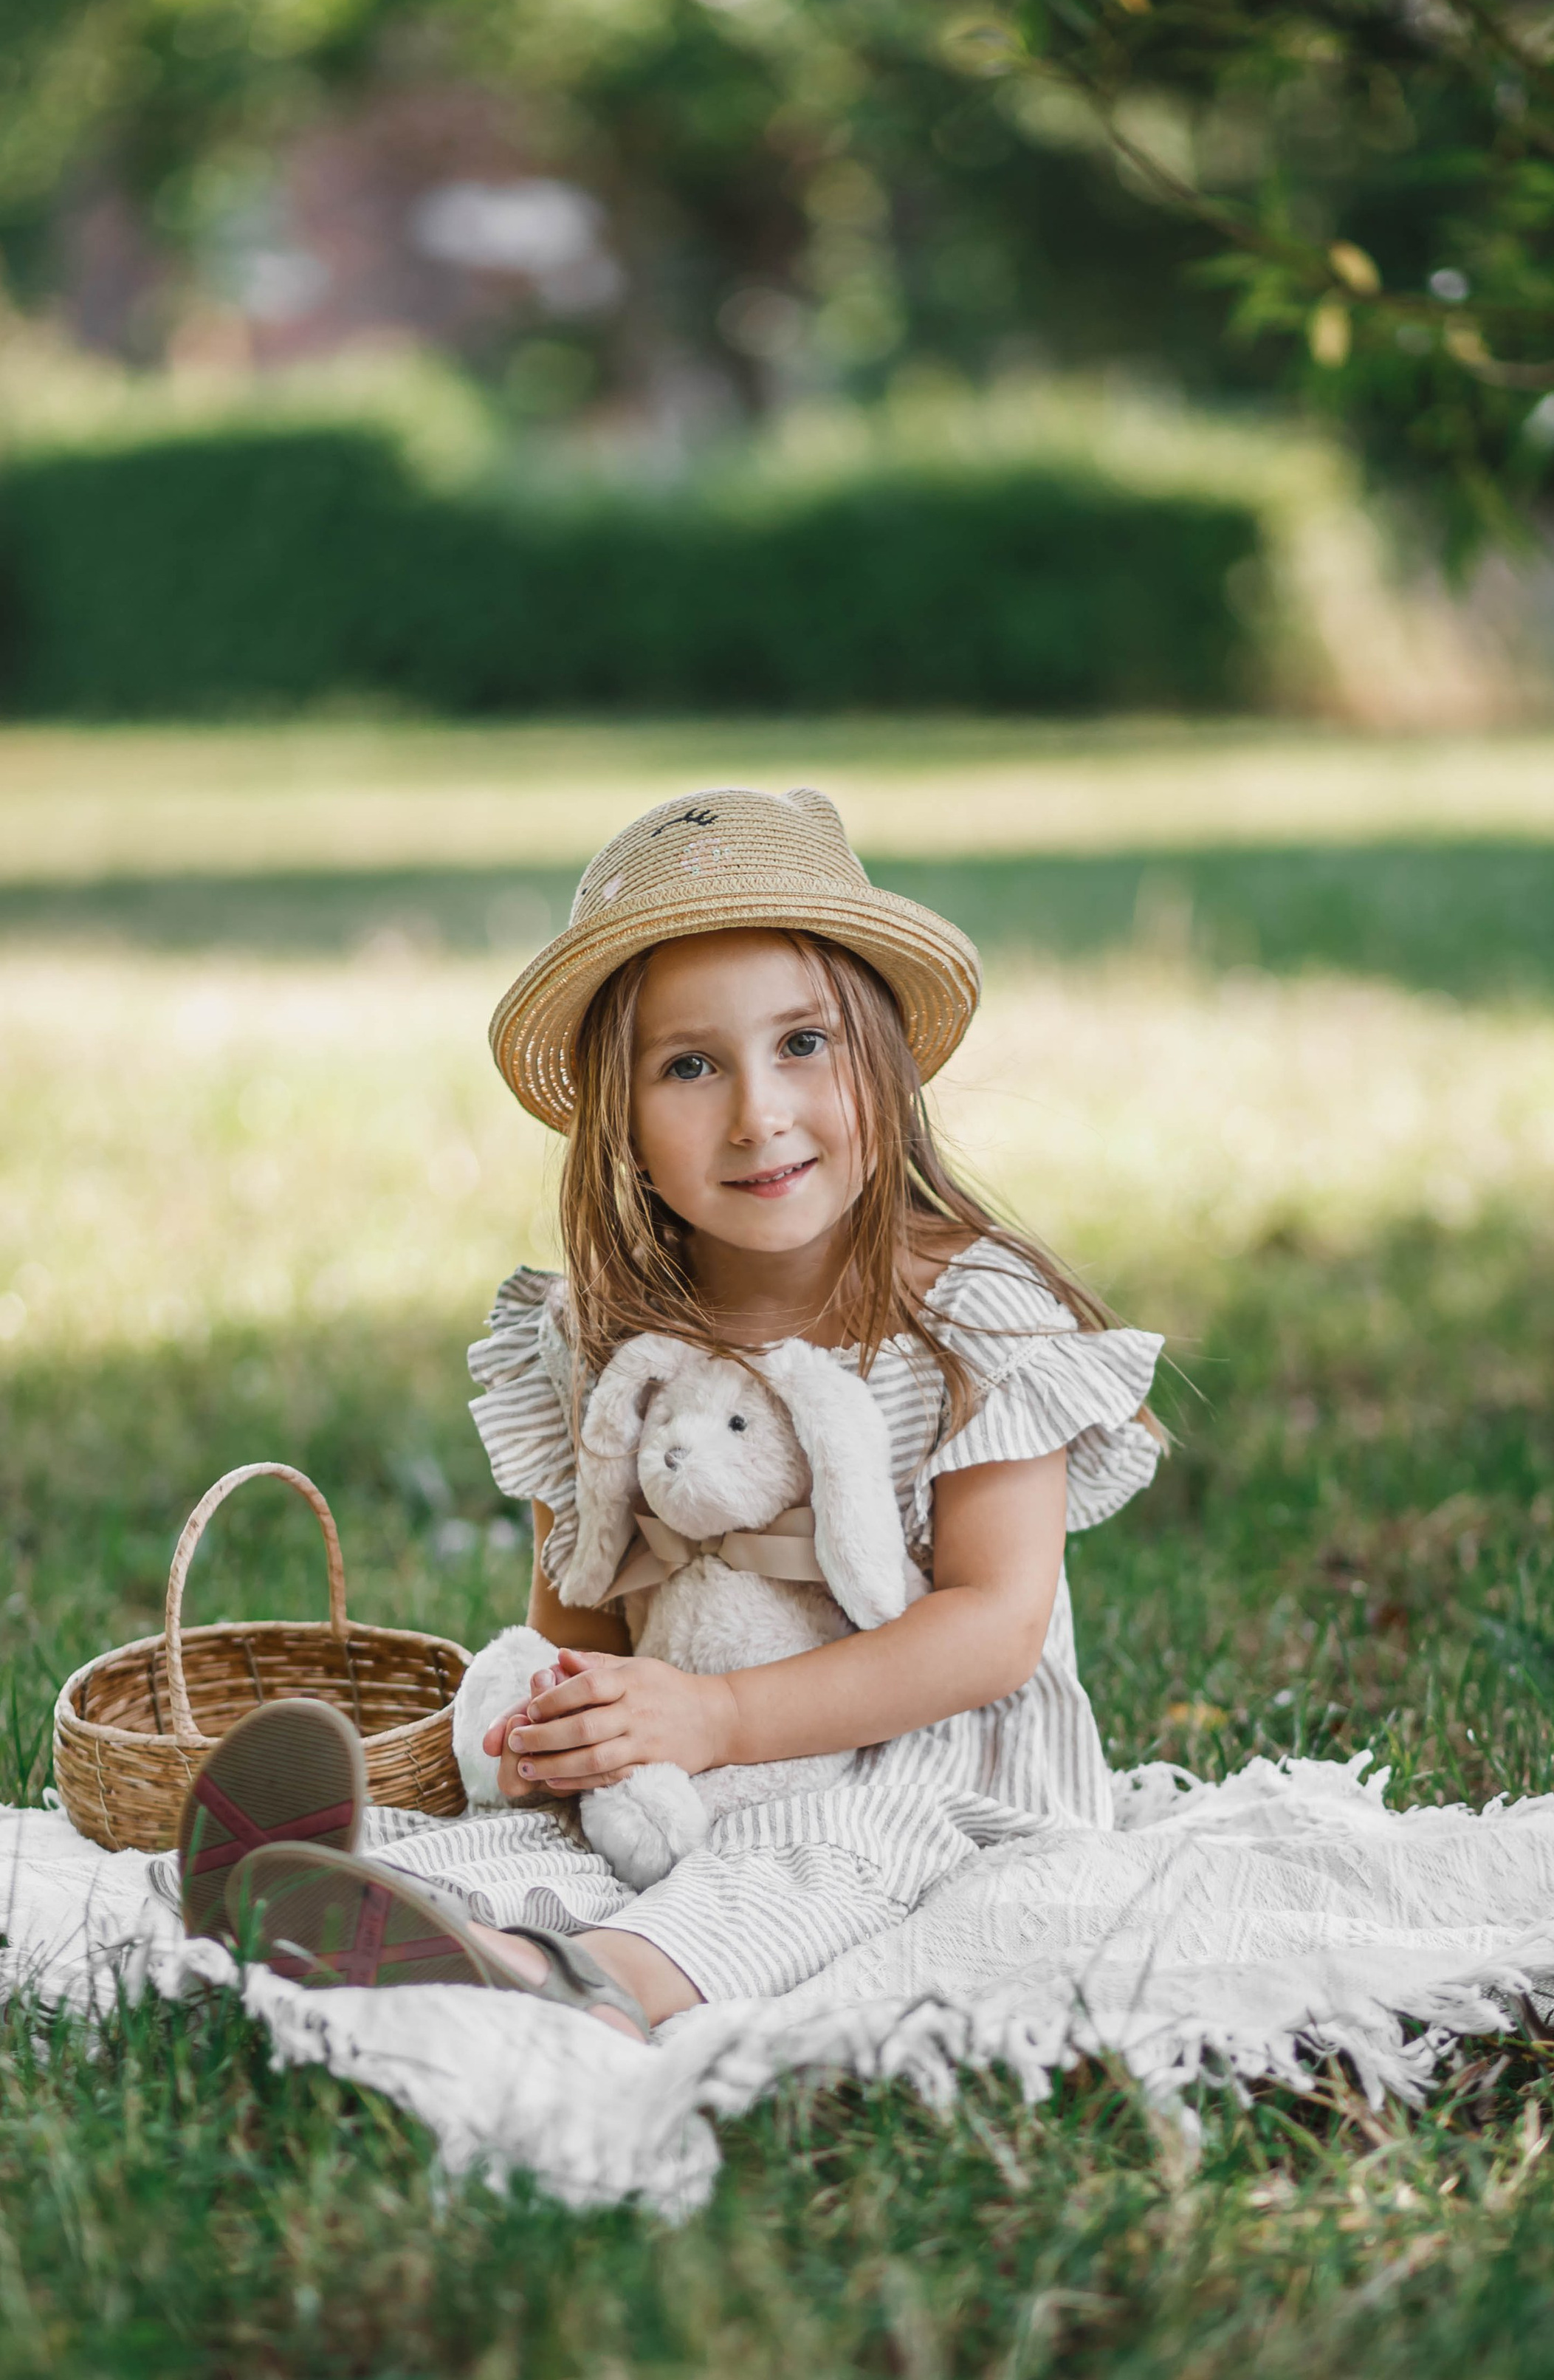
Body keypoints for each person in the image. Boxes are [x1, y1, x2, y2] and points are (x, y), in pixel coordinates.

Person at [179, 786, 1163, 2042]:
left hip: (935, 1764)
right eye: (691, 1066)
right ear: (624, 1122)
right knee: (545, 1828)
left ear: (883, 1056)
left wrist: (725, 1719)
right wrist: (564, 1720)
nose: (758, 1113)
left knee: (823, 1857)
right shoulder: (604, 1334)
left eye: (803, 1042)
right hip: (689, 1761)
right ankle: (363, 1905)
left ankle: (585, 1983)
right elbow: (582, 1611)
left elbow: (992, 1630)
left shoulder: (970, 1316)